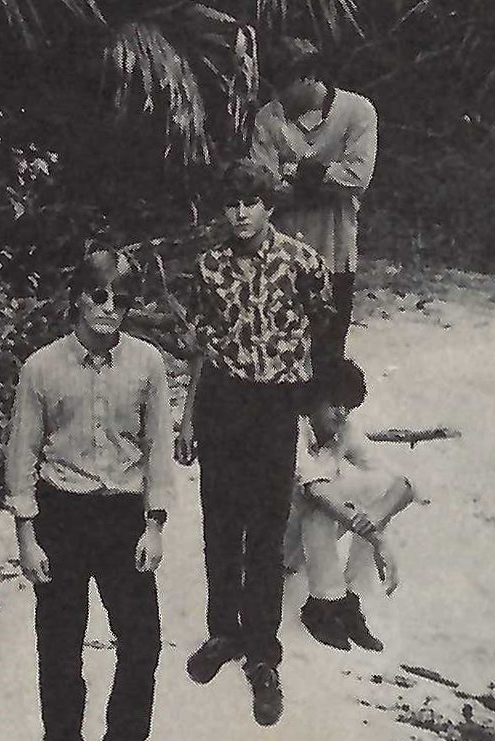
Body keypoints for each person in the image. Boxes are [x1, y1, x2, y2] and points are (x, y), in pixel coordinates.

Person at [175, 160, 334, 726]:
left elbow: (324, 329)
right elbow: (200, 346)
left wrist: (312, 403)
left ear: (269, 206)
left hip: (274, 407)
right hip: (223, 404)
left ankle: (263, 653)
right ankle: (224, 633)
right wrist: (188, 419)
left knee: (265, 533)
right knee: (220, 524)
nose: (241, 214)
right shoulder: (208, 266)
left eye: (252, 203)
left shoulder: (303, 262)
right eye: (232, 203)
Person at [5, 248, 173, 741]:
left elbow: (158, 448)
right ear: (78, 298)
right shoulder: (40, 367)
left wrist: (154, 526)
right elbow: (22, 453)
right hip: (62, 513)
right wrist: (27, 536)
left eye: (121, 299)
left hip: (122, 514)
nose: (109, 308)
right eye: (99, 296)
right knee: (59, 645)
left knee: (142, 642)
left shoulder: (147, 363)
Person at [287, 357, 429, 652]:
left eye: (348, 406)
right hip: (277, 543)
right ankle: (322, 603)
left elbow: (402, 483)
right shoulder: (293, 429)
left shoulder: (344, 431)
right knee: (323, 497)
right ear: (314, 401)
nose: (341, 413)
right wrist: (376, 538)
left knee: (378, 489)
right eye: (333, 403)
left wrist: (374, 519)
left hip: (309, 536)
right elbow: (315, 490)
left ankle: (350, 600)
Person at [250, 36, 377, 364]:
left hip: (334, 252)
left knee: (327, 356)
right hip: (280, 257)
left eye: (285, 86)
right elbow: (263, 187)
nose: (279, 96)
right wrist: (322, 179)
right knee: (278, 354)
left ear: (309, 77)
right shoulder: (268, 118)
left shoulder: (357, 111)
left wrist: (300, 173)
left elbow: (357, 178)